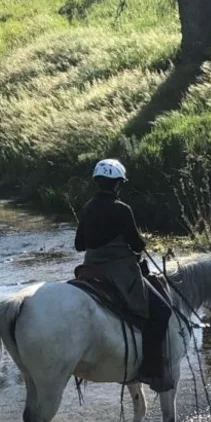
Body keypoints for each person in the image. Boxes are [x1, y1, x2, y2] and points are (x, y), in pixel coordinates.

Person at [74, 159, 173, 392]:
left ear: (98, 183)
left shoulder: (88, 207)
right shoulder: (122, 209)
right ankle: (150, 368)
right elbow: (137, 246)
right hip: (119, 272)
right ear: (117, 184)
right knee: (162, 311)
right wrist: (139, 241)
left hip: (90, 269)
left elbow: (79, 245)